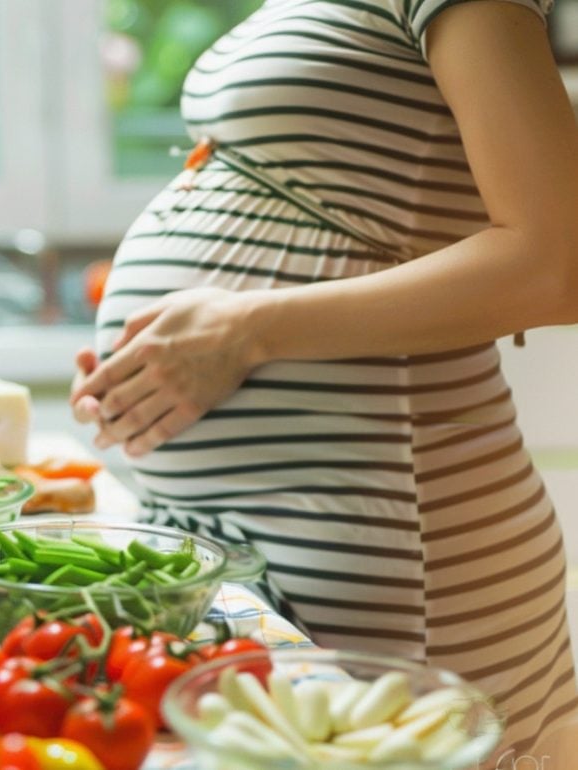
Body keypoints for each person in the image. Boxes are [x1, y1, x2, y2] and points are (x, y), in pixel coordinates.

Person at [70, 0, 578, 763]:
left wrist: (244, 329)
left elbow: (556, 264)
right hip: (278, 525)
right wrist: (162, 345)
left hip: (383, 534)